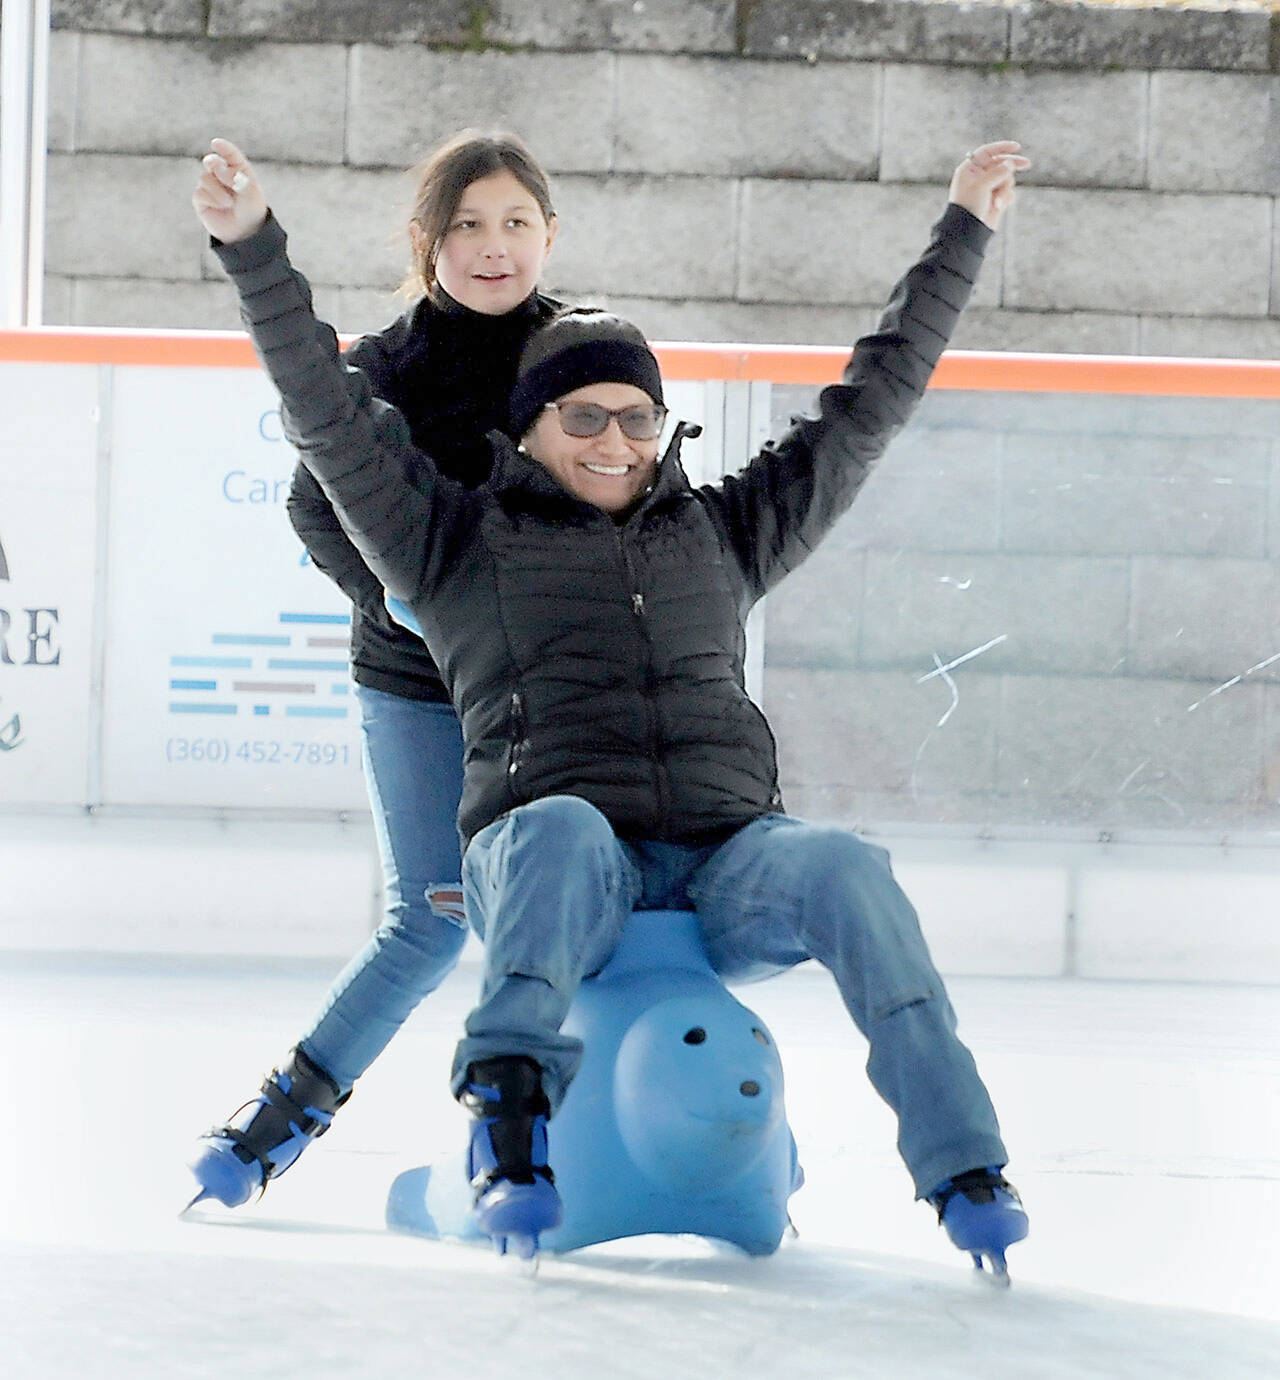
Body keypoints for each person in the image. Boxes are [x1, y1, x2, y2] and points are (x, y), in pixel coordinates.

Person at [193, 134, 1034, 1276]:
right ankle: (505, 1129)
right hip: (530, 802)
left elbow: (867, 405)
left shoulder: (721, 532)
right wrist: (252, 249)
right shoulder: (457, 540)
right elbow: (324, 424)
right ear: (527, 429)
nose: (614, 440)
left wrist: (964, 230)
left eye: (637, 418)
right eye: (581, 419)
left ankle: (964, 1169)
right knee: (494, 869)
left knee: (845, 865)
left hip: (722, 860)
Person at [185, 132, 563, 1211]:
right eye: (466, 226)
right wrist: (403, 603)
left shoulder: (586, 353)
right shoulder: (381, 370)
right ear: (426, 242)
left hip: (550, 683)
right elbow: (317, 504)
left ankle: (546, 1129)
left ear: (548, 234)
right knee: (434, 914)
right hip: (412, 681)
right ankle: (280, 1117)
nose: (493, 248)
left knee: (567, 903)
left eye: (515, 223)